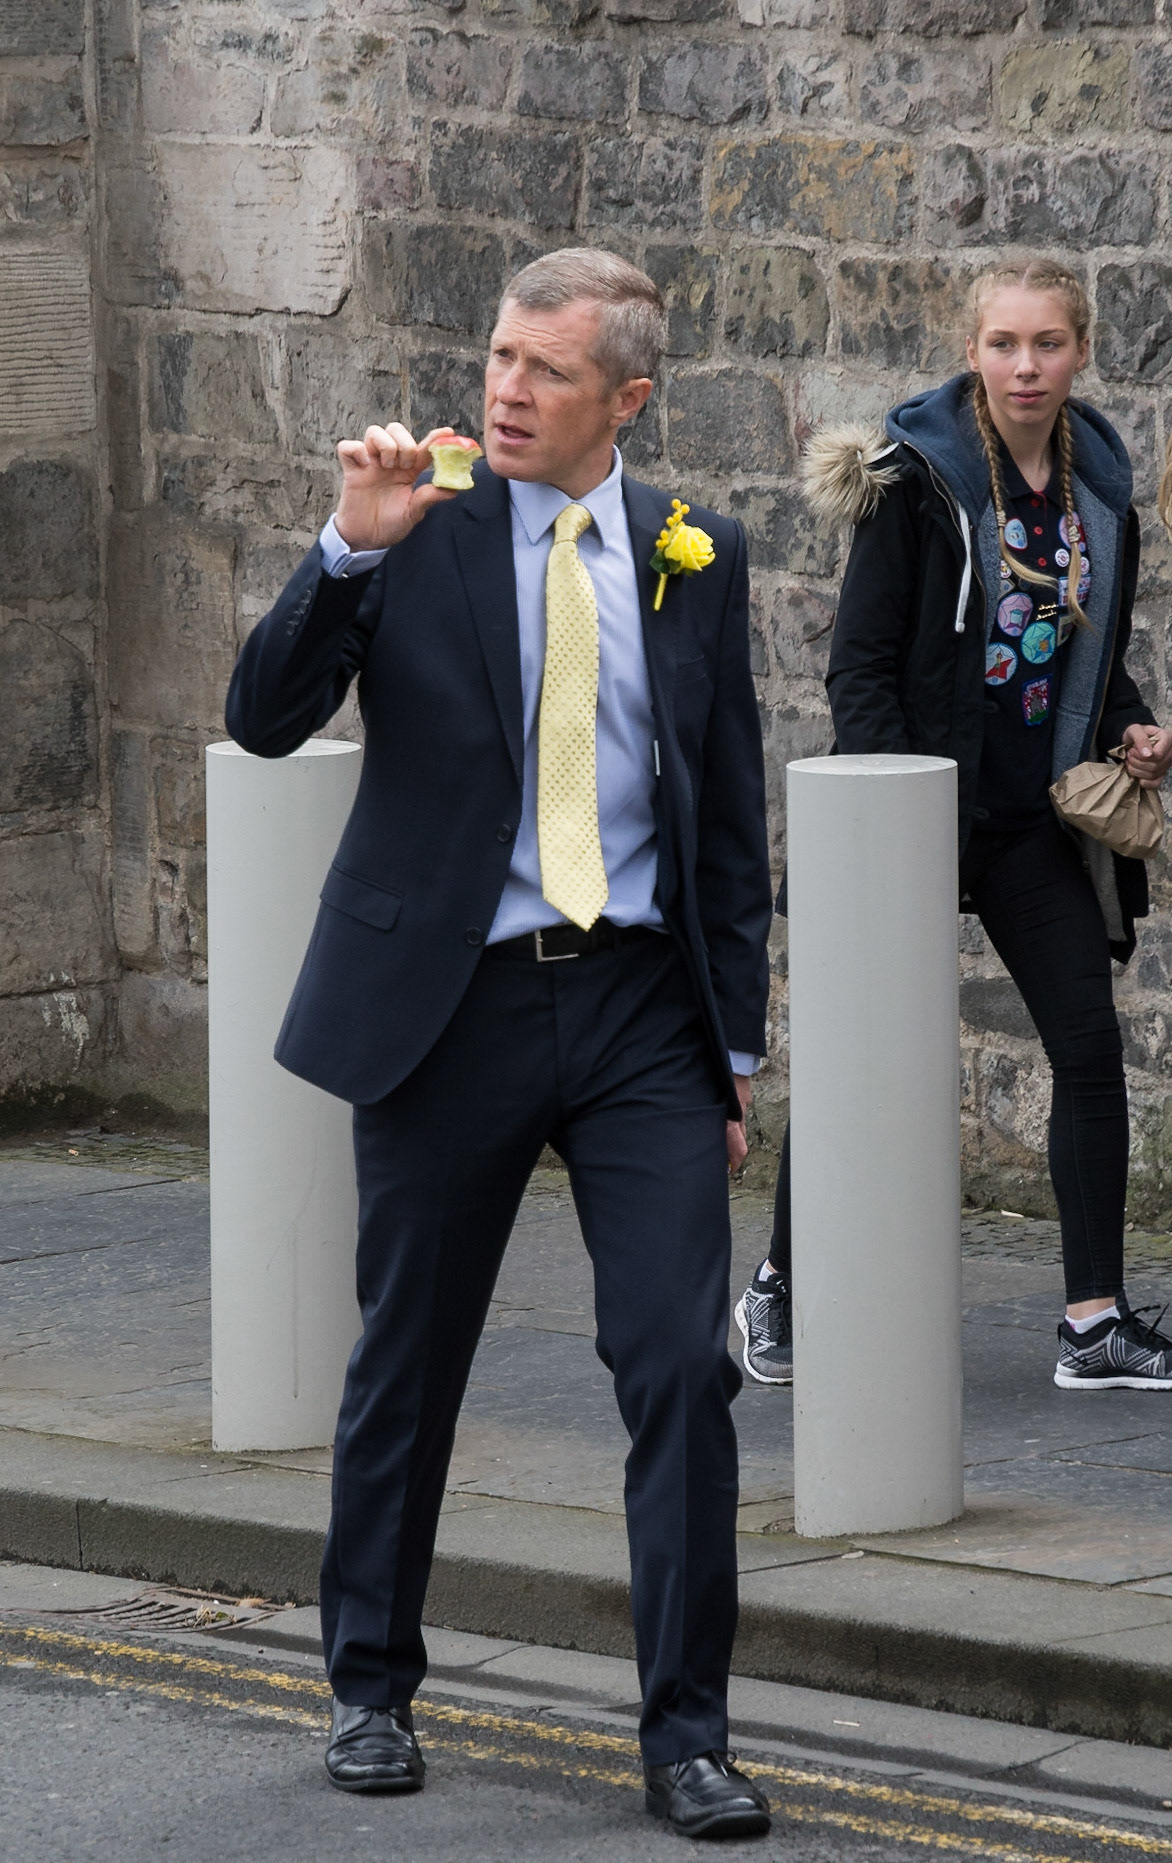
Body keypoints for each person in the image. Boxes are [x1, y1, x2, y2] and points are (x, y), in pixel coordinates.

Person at [226, 248, 774, 1840]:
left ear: (629, 395)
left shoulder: (697, 552)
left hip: (637, 1012)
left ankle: (686, 1733)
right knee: (411, 1357)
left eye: (544, 369)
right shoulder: (416, 529)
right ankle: (371, 1688)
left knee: (681, 1361)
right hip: (447, 1005)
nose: (505, 389)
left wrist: (731, 1043)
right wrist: (343, 547)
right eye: (497, 358)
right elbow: (265, 715)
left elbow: (725, 814)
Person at [736, 258, 1172, 1395]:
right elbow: (859, 668)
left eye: (1045, 345)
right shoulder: (915, 481)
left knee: (1083, 1046)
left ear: (1079, 351)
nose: (1023, 367)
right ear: (968, 350)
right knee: (852, 1058)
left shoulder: (1096, 491)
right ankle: (780, 1284)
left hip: (1030, 819)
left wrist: (1128, 731)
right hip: (910, 810)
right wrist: (895, 805)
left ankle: (1091, 1323)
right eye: (1001, 345)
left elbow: (1085, 654)